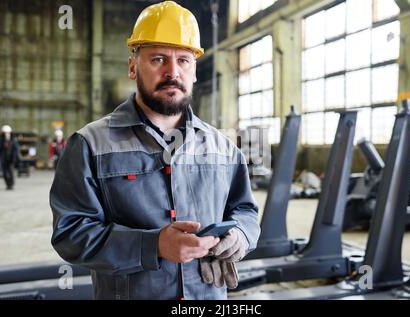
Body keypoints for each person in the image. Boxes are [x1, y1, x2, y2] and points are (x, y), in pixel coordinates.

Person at [50, 1, 260, 300]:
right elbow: (71, 234)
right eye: (158, 59)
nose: (172, 72)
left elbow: (245, 210)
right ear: (133, 66)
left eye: (184, 60)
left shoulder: (223, 147)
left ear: (195, 70)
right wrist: (154, 246)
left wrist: (240, 235)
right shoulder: (89, 145)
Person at [0, 125, 19, 190]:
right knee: (5, 173)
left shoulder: (13, 140)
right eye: (5, 133)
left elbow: (16, 150)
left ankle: (11, 184)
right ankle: (8, 184)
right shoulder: (0, 141)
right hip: (4, 159)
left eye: (8, 133)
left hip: (11, 160)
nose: (7, 134)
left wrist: (16, 159)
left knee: (11, 172)